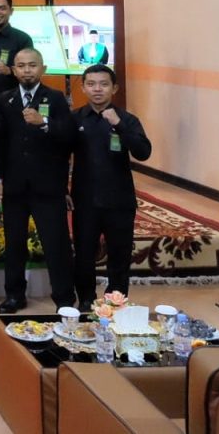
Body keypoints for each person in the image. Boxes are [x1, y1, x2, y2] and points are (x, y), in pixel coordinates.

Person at [0, 48, 75, 313]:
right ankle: (14, 295)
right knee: (14, 243)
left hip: (48, 185)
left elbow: (69, 137)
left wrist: (45, 122)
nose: (27, 70)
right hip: (15, 185)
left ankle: (64, 297)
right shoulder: (5, 99)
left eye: (32, 65)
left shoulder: (56, 98)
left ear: (43, 68)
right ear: (13, 70)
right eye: (21, 66)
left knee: (56, 243)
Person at [71, 65, 151, 311]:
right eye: (91, 84)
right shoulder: (75, 118)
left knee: (119, 255)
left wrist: (119, 125)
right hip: (85, 199)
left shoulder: (127, 119)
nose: (97, 89)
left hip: (119, 200)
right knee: (84, 254)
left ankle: (115, 302)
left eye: (104, 84)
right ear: (83, 87)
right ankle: (86, 300)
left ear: (114, 88)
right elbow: (58, 155)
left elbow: (143, 152)